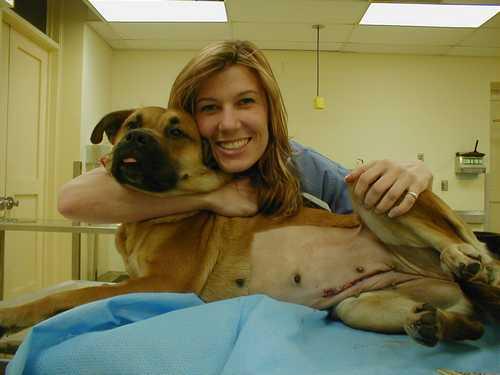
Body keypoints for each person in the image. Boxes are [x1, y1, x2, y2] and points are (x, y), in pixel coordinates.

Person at [58, 40, 432, 224]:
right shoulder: (173, 163)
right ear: (192, 123)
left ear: (270, 110)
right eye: (209, 108)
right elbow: (71, 201)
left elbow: (373, 208)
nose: (228, 123)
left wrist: (415, 176)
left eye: (246, 102)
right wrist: (209, 198)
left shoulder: (298, 164)